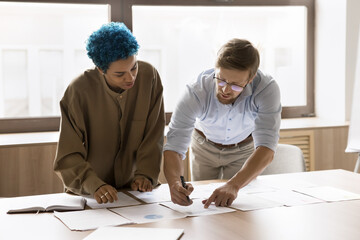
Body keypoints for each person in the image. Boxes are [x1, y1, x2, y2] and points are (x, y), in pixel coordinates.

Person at [54, 22, 165, 204]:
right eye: (120, 74)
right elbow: (68, 155)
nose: (130, 78)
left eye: (134, 67)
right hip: (90, 194)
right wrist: (94, 184)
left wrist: (145, 174)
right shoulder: (78, 91)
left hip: (135, 191)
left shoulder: (150, 77)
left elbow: (154, 134)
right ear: (101, 70)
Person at [163, 38, 281, 208]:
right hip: (204, 145)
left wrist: (234, 185)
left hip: (244, 149)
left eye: (235, 85)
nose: (225, 89)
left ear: (250, 78)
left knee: (236, 205)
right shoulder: (196, 91)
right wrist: (174, 183)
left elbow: (267, 147)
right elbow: (174, 146)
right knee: (204, 206)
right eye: (221, 80)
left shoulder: (266, 88)